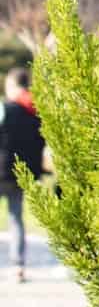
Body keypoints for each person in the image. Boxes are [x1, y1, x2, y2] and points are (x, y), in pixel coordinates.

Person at [1, 65, 44, 283]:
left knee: (15, 217)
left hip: (1, 171)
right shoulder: (35, 111)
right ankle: (18, 266)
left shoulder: (5, 109)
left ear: (12, 86)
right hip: (22, 174)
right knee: (16, 218)